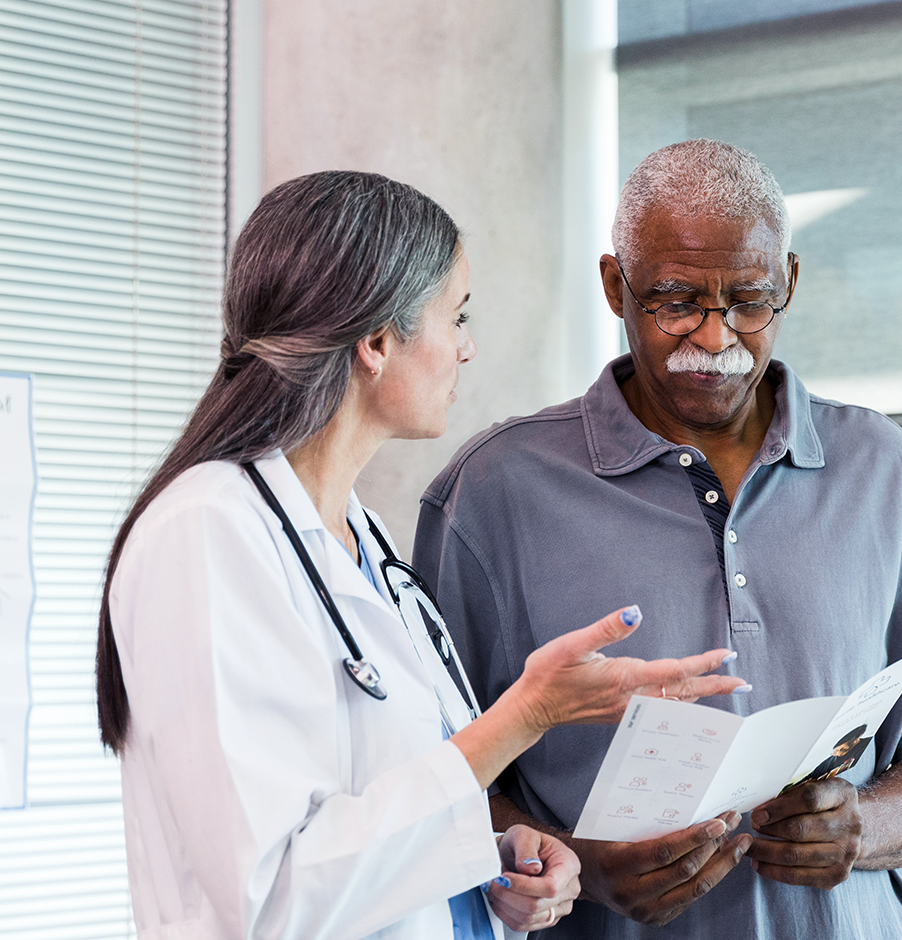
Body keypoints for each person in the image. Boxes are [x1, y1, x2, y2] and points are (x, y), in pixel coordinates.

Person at [94, 171, 746, 940]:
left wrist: (494, 860)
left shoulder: (360, 539)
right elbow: (267, 900)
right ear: (375, 342)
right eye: (455, 316)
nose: (467, 349)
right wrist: (527, 714)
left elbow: (373, 818)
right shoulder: (208, 530)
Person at [413, 140, 902, 939]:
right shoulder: (493, 491)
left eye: (750, 301)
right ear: (614, 287)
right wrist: (580, 867)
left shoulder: (886, 471)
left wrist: (862, 827)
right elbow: (431, 782)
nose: (715, 334)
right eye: (674, 300)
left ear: (789, 282)